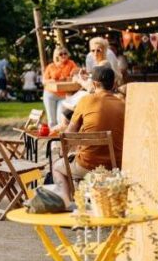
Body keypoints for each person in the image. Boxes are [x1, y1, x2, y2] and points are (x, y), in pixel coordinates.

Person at [51, 66, 125, 206]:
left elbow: (70, 134)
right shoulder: (122, 105)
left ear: (94, 84)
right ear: (114, 84)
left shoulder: (86, 101)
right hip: (116, 165)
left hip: (88, 165)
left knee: (57, 167)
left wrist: (63, 152)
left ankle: (66, 202)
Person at [42, 46, 78, 127]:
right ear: (56, 56)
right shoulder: (51, 66)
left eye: (65, 53)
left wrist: (72, 76)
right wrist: (52, 80)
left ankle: (59, 134)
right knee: (52, 120)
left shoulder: (71, 63)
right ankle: (53, 135)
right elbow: (44, 81)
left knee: (60, 119)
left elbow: (76, 74)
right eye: (61, 54)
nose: (63, 55)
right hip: (50, 95)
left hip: (63, 95)